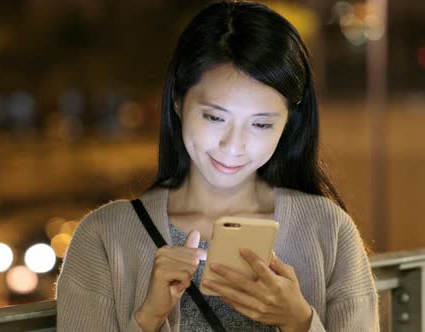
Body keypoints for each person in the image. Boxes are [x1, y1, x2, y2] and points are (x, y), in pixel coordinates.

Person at [56, 1, 379, 331]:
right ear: (177, 101)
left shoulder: (329, 230)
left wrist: (298, 321)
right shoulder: (103, 238)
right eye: (214, 117)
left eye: (261, 125)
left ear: (289, 123)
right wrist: (149, 317)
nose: (233, 145)